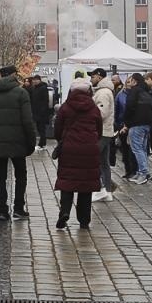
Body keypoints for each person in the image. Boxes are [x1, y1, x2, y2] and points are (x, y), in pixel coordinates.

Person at [0, 65, 37, 221]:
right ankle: (19, 208)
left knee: (0, 178)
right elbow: (28, 121)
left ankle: (2, 210)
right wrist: (31, 142)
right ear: (14, 75)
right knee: (21, 176)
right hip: (18, 143)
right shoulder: (21, 93)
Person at [51, 78, 102, 229]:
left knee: (68, 182)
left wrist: (64, 140)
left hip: (69, 149)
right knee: (85, 186)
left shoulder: (65, 108)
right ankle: (84, 220)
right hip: (89, 150)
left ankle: (64, 212)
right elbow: (99, 130)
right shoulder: (93, 108)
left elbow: (57, 130)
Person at [89, 69, 117, 201]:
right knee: (103, 162)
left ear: (99, 77)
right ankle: (107, 190)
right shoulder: (103, 91)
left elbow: (101, 113)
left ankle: (101, 188)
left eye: (93, 77)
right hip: (105, 131)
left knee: (93, 159)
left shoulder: (103, 93)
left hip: (102, 131)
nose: (91, 79)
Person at [122, 74, 152, 184]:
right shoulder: (146, 92)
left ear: (135, 81)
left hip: (136, 124)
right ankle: (141, 172)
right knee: (142, 149)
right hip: (146, 124)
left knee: (137, 149)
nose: (128, 83)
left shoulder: (134, 91)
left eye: (130, 81)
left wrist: (126, 122)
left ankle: (143, 173)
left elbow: (129, 107)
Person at [27, 75, 52, 149]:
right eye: (33, 80)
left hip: (41, 113)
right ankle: (42, 143)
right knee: (39, 128)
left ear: (39, 80)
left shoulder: (43, 88)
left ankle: (42, 144)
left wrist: (42, 110)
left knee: (41, 128)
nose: (34, 81)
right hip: (36, 112)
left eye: (36, 80)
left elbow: (45, 100)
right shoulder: (35, 88)